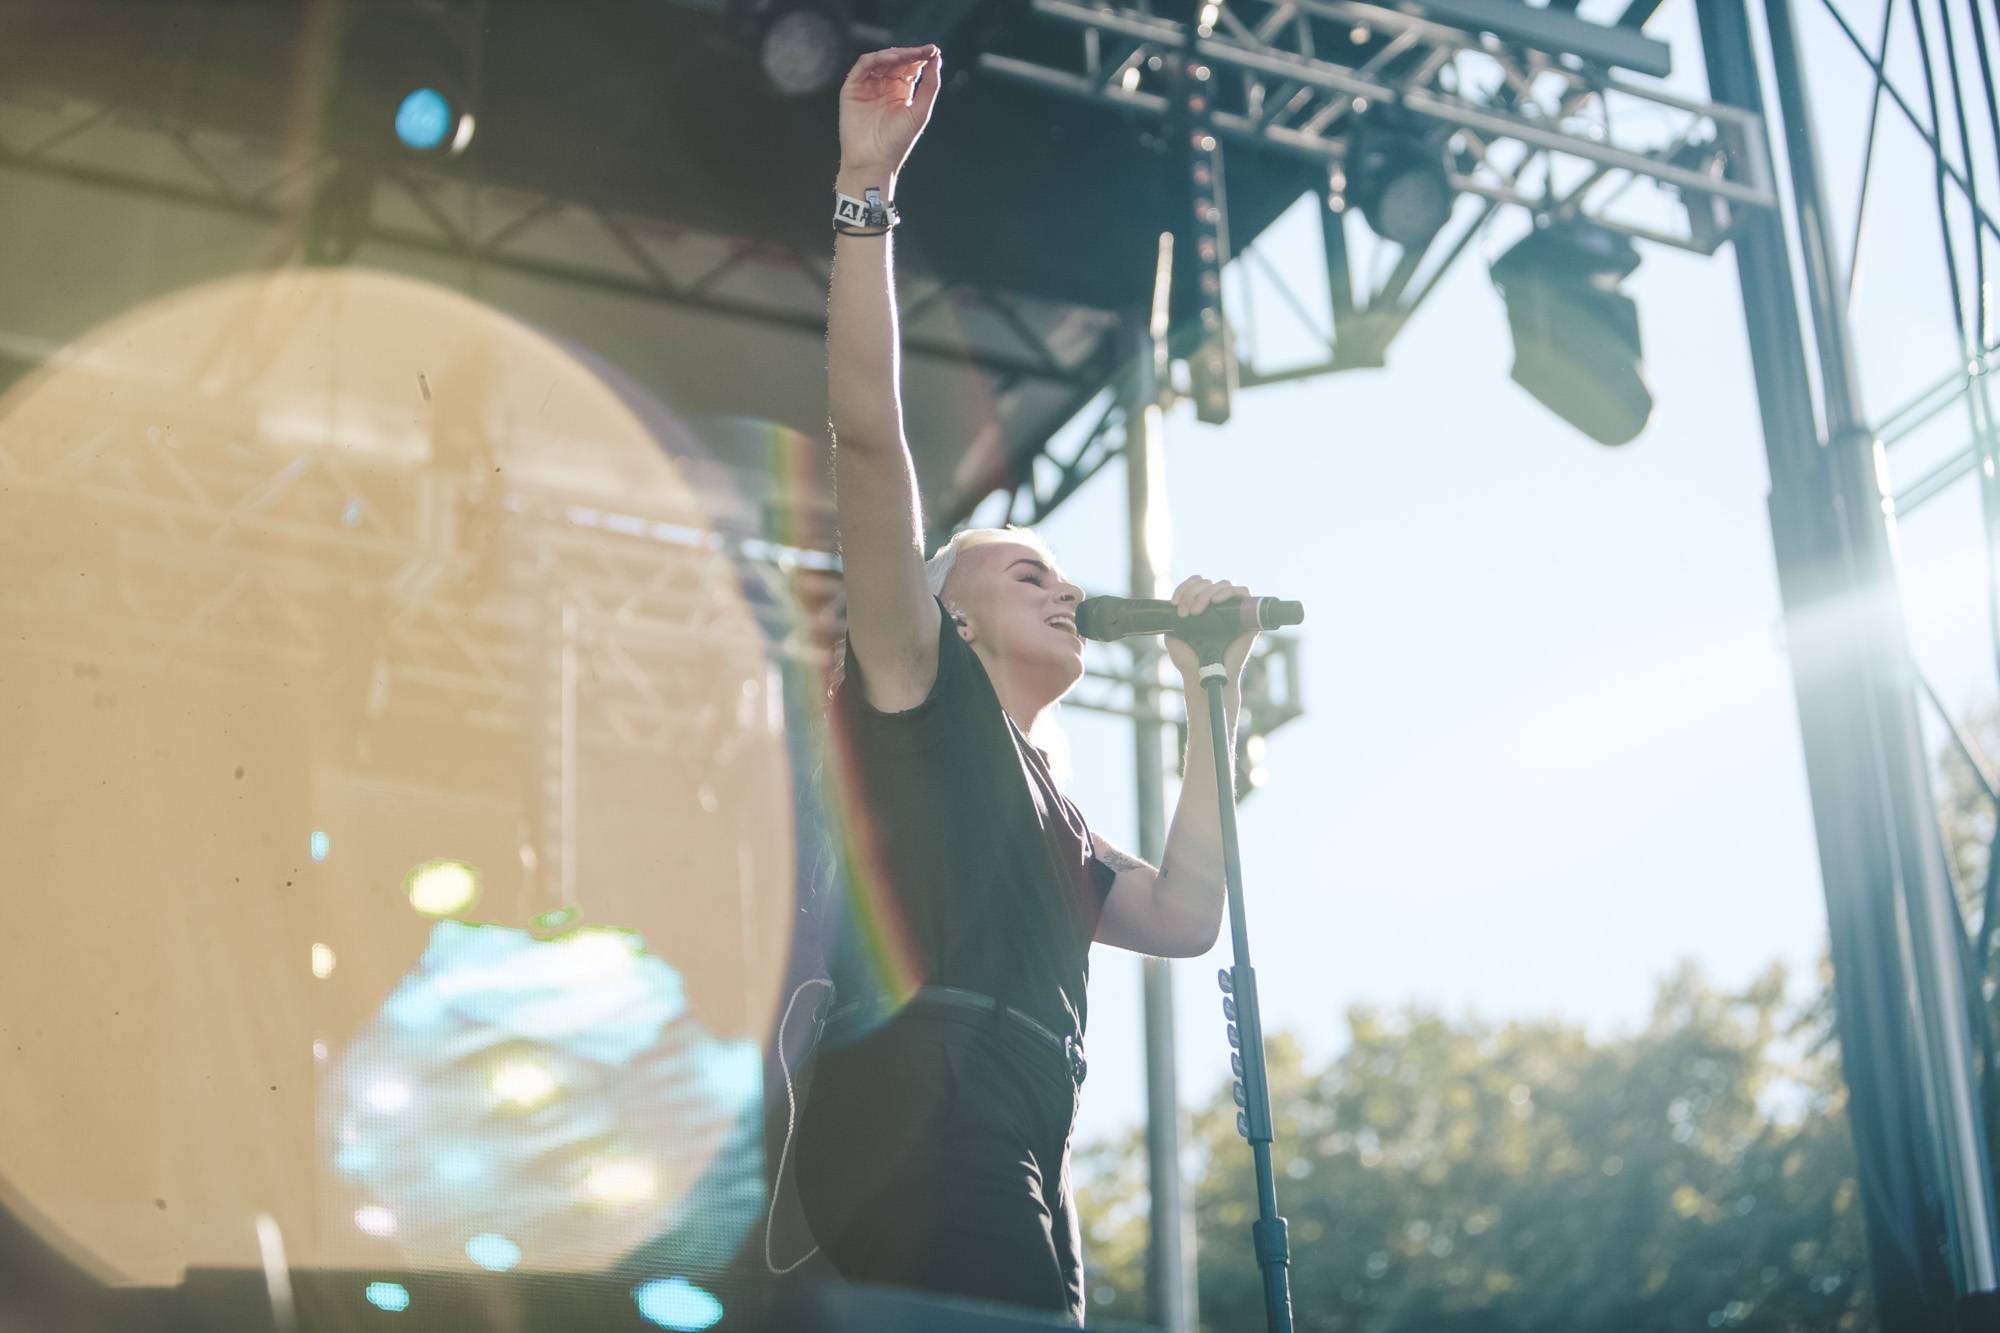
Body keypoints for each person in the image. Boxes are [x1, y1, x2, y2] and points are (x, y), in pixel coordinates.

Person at [791, 45, 1262, 1326]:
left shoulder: (1048, 807)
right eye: (1024, 571)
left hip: (1019, 1152)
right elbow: (872, 442)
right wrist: (862, 192)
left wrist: (1206, 699)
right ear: (946, 613)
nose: (1062, 590)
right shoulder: (913, 686)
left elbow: (1183, 913)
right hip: (923, 1142)